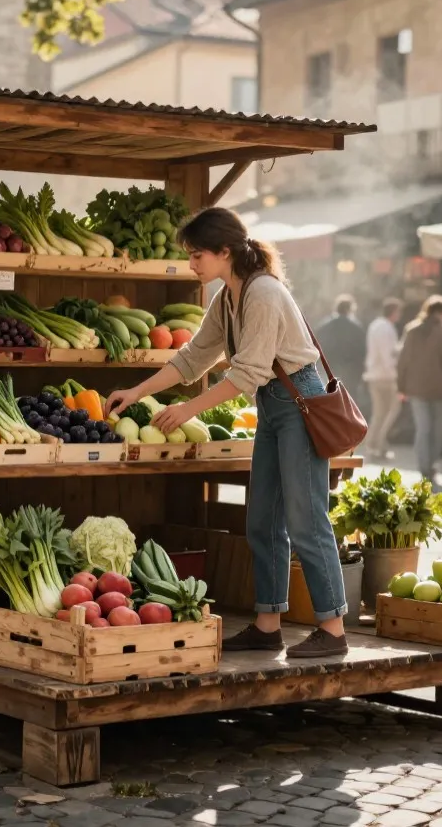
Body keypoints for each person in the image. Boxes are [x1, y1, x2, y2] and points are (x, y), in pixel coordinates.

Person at [105, 208, 349, 659]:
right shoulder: (228, 297)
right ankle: (267, 624)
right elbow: (192, 359)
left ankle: (332, 628)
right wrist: (135, 392)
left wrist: (186, 410)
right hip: (275, 408)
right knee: (261, 519)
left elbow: (249, 373)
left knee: (306, 520)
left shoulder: (264, 294)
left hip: (299, 403)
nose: (192, 264)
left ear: (225, 251)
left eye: (198, 255)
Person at [397, 295, 442, 482]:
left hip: (416, 388)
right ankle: (431, 464)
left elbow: (403, 361)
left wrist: (401, 386)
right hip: (441, 389)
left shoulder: (412, 330)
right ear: (441, 312)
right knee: (437, 429)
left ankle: (423, 465)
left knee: (422, 428)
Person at [362, 297, 403, 458]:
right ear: (394, 312)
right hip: (386, 376)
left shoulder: (375, 325)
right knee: (392, 410)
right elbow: (388, 356)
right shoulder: (387, 328)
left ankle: (374, 443)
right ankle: (378, 442)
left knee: (379, 412)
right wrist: (396, 376)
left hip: (373, 374)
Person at [314, 294, 365, 400]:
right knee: (349, 400)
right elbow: (361, 351)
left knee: (331, 399)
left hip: (329, 369)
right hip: (351, 371)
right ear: (350, 309)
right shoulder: (356, 327)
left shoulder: (324, 326)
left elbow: (317, 347)